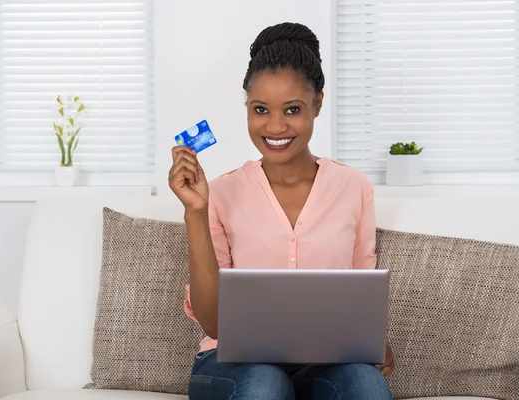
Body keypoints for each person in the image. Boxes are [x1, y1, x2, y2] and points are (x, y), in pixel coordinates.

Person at [169, 22, 394, 400]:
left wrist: (370, 341)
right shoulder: (221, 193)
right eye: (260, 110)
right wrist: (196, 210)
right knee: (265, 384)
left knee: (366, 385)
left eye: (292, 109)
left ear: (317, 105)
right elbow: (213, 322)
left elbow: (360, 295)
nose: (275, 126)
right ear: (247, 108)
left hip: (324, 364)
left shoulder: (354, 188)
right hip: (233, 367)